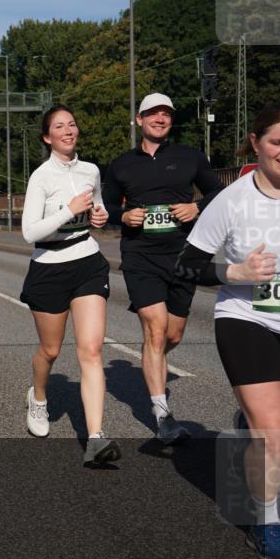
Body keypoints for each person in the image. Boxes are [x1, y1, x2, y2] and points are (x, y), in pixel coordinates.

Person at [175, 103, 280, 559]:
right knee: (272, 432)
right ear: (256, 143)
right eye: (279, 142)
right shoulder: (233, 200)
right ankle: (266, 521)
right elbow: (188, 264)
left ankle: (248, 422)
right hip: (248, 318)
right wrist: (236, 270)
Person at [102, 92, 223, 445]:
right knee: (155, 329)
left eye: (166, 114)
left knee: (172, 335)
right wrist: (123, 215)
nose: (160, 118)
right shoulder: (122, 164)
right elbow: (107, 207)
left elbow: (218, 192)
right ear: (139, 120)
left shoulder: (190, 157)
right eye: (152, 113)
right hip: (141, 255)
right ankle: (162, 415)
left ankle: (151, 359)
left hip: (185, 255)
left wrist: (197, 208)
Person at [20, 105, 115, 465]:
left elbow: (98, 210)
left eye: (72, 123)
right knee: (51, 351)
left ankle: (95, 438)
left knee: (91, 350)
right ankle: (39, 399)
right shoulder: (41, 177)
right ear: (47, 137)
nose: (68, 130)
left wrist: (99, 216)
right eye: (59, 126)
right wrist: (67, 209)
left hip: (87, 262)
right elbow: (31, 232)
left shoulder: (91, 170)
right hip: (49, 268)